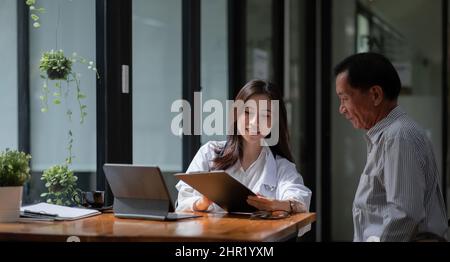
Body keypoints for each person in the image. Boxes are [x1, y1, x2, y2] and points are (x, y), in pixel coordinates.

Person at [334, 52, 448, 242]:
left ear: (375, 95)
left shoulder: (398, 137)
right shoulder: (386, 136)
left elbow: (405, 216)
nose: (341, 108)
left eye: (344, 98)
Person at [176, 80, 311, 218]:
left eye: (266, 115)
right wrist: (202, 203)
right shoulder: (209, 152)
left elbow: (299, 199)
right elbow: (182, 201)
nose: (255, 122)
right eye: (248, 112)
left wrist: (278, 204)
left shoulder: (281, 167)